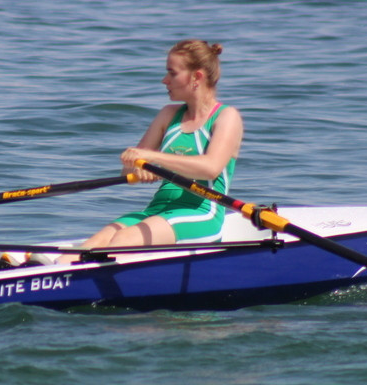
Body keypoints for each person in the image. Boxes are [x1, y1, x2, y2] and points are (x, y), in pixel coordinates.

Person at [58, 39, 243, 264]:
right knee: (95, 242)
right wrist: (136, 167)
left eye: (172, 73)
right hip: (157, 211)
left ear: (197, 77)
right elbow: (128, 171)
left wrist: (152, 159)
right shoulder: (168, 115)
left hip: (202, 213)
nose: (164, 80)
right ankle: (48, 271)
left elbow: (210, 168)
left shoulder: (226, 116)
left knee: (123, 239)